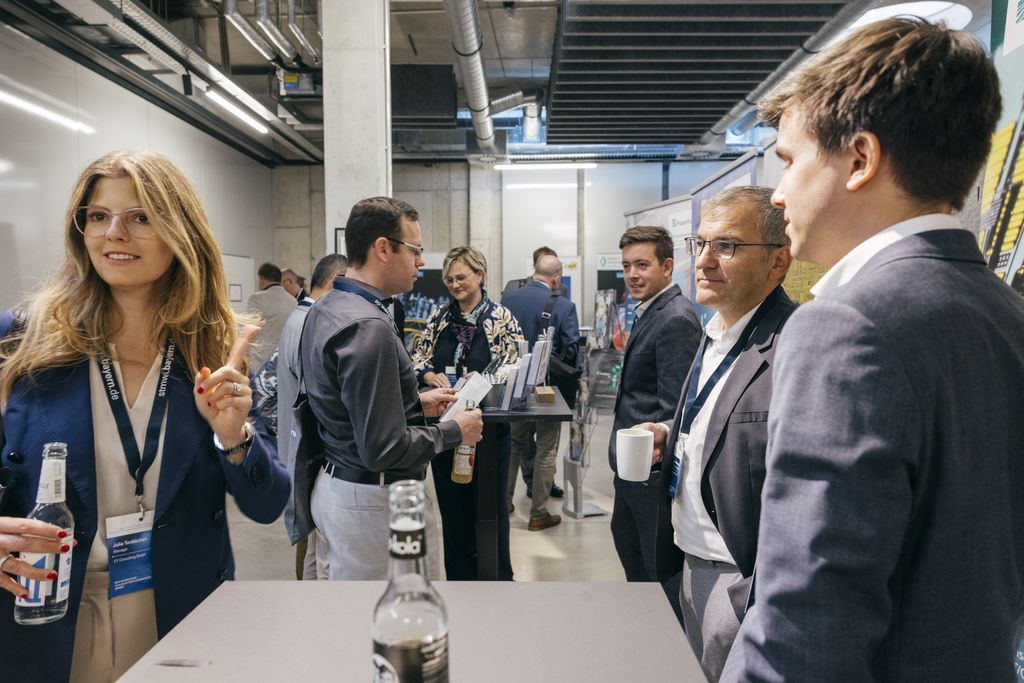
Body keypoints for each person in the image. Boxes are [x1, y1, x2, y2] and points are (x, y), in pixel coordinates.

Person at [721, 19, 1024, 682]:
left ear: (859, 158)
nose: (777, 193)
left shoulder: (846, 326)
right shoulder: (1004, 312)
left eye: (790, 160)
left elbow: (805, 628)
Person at [0, 150, 289, 682]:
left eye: (140, 217)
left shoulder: (213, 349)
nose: (115, 233)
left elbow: (269, 503)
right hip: (48, 615)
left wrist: (234, 436)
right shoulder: (22, 341)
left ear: (180, 232)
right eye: (98, 215)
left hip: (180, 612)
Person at [635, 187, 794, 681]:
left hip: (738, 575)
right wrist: (669, 431)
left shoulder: (792, 345)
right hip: (690, 556)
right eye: (699, 244)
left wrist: (752, 593)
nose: (703, 261)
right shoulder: (716, 332)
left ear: (777, 262)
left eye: (726, 246)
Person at [300, 197, 483, 580]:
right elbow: (382, 449)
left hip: (339, 488)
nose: (421, 262)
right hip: (375, 501)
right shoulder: (369, 327)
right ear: (383, 248)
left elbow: (345, 403)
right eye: (415, 250)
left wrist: (411, 403)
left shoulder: (329, 306)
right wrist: (453, 431)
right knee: (400, 621)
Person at [411, 246, 522, 580]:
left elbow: (516, 365)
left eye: (461, 277)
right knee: (453, 509)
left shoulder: (501, 319)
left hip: (489, 430)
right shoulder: (438, 319)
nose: (455, 284)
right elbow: (416, 359)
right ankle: (460, 579)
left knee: (489, 509)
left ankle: (497, 578)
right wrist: (429, 376)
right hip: (445, 428)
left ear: (480, 275)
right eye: (449, 279)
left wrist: (487, 377)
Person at [608, 226, 701, 583]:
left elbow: (675, 411)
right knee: (633, 558)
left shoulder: (675, 318)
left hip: (650, 478)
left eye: (642, 265)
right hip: (632, 471)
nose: (632, 274)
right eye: (627, 266)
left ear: (667, 266)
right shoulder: (651, 310)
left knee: (655, 574)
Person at [251, 254, 347, 580]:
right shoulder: (312, 323)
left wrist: (287, 432)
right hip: (313, 459)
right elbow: (265, 395)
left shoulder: (300, 317)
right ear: (336, 284)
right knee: (312, 551)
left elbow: (264, 393)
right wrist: (297, 431)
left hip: (300, 456)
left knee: (309, 543)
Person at [500, 255, 580, 530]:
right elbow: (571, 349)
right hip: (547, 390)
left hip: (514, 386)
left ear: (533, 271)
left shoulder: (507, 300)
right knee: (546, 449)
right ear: (556, 277)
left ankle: (504, 502)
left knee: (513, 446)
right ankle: (538, 514)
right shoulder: (565, 306)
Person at [246, 262, 297, 369]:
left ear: (261, 279)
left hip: (261, 364)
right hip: (286, 363)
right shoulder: (293, 301)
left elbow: (247, 330)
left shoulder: (257, 299)